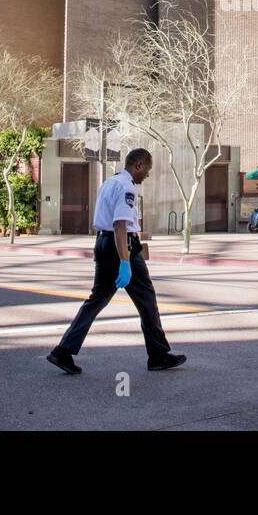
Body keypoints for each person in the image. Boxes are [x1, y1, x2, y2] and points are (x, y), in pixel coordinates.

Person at [47, 148, 186, 374]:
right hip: (121, 247)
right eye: (147, 170)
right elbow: (120, 225)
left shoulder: (109, 183)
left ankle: (63, 351)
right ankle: (158, 355)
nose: (148, 175)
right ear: (138, 165)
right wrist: (125, 262)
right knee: (147, 300)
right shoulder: (127, 187)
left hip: (103, 243)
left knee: (97, 300)